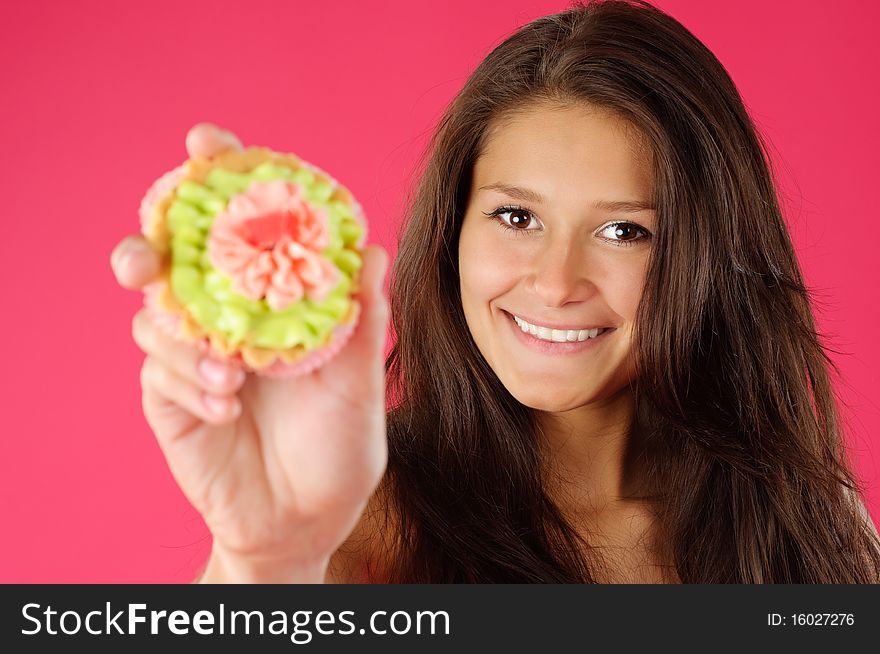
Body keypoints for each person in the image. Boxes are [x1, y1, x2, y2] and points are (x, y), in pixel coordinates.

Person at [110, 0, 880, 583]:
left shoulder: (809, 516)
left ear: (709, 255)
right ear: (452, 231)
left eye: (625, 232)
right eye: (516, 216)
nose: (553, 282)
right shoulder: (357, 526)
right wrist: (264, 557)